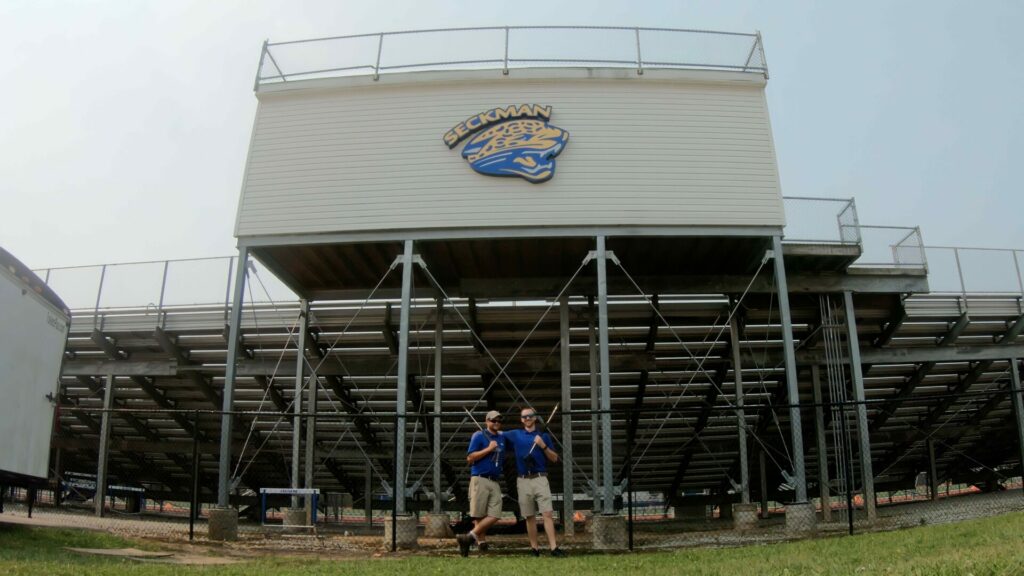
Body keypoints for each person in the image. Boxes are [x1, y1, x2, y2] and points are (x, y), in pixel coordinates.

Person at [503, 406, 566, 557]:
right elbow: (498, 434)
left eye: (530, 416)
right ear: (521, 419)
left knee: (547, 513)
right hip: (523, 480)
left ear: (535, 418)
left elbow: (554, 458)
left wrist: (543, 446)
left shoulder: (543, 436)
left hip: (540, 478)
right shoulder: (516, 434)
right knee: (529, 516)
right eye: (524, 416)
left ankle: (553, 548)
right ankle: (534, 549)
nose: (527, 418)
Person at [457, 410, 505, 557]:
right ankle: (481, 542)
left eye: (498, 420)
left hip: (494, 479)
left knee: (495, 514)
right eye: (493, 420)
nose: (496, 423)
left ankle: (468, 537)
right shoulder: (478, 435)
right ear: (487, 421)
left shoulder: (502, 437)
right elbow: (470, 458)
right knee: (479, 514)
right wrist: (488, 449)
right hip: (480, 478)